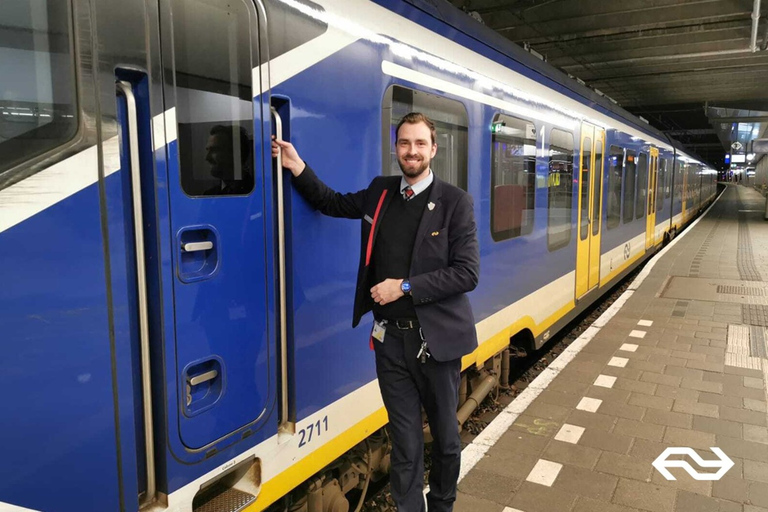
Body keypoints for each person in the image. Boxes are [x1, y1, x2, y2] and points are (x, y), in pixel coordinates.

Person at [272, 112, 479, 512]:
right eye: (404, 143)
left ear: (433, 149)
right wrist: (298, 167)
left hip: (436, 340)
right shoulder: (381, 192)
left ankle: (442, 504)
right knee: (404, 440)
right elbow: (332, 202)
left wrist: (403, 286)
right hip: (391, 341)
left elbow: (466, 273)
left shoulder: (455, 202)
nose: (412, 151)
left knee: (446, 439)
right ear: (395, 148)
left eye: (420, 144)